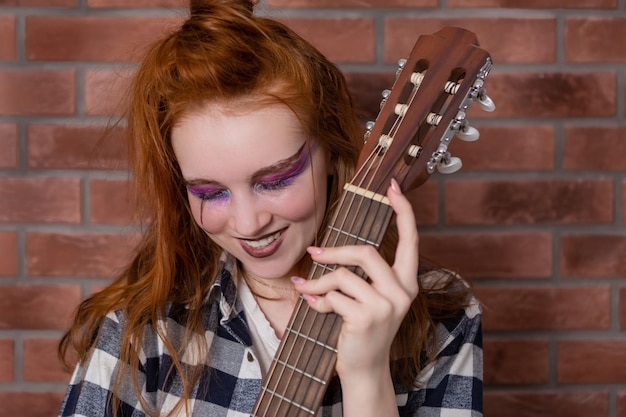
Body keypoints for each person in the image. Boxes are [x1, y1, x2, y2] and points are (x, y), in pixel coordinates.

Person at [57, 1, 483, 416]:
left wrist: (367, 376)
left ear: (334, 155)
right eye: (209, 192)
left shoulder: (444, 316)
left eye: (275, 180)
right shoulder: (139, 330)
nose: (248, 223)